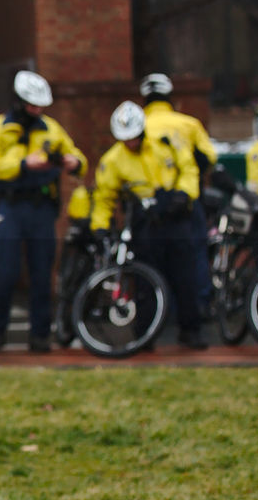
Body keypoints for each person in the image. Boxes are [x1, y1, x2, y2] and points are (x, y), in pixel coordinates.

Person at [0, 70, 86, 352]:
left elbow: (76, 156)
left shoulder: (50, 128)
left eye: (41, 106)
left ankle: (40, 336)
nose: (37, 111)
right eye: (32, 105)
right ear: (19, 102)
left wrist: (74, 163)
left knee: (42, 274)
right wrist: (24, 164)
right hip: (10, 206)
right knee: (5, 273)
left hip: (41, 210)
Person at [91, 100, 208, 349]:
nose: (130, 144)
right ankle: (145, 336)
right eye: (125, 140)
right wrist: (99, 225)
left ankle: (191, 330)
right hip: (144, 222)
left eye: (134, 138)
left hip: (175, 216)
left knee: (185, 277)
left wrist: (184, 194)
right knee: (145, 281)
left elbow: (189, 169)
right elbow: (104, 196)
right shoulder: (113, 160)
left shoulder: (166, 144)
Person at [139, 73, 217, 316]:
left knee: (152, 260)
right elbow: (209, 158)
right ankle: (198, 307)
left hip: (150, 202)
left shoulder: (138, 123)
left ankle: (160, 311)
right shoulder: (188, 123)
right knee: (193, 257)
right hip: (187, 199)